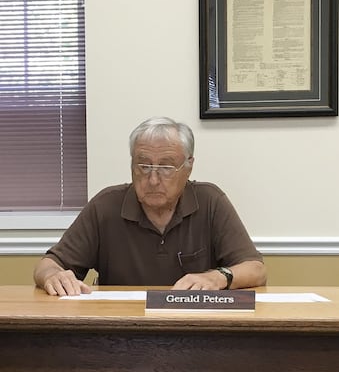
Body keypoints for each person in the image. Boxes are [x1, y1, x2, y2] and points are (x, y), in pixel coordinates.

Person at [33, 116, 267, 296]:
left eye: (166, 167)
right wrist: (53, 276)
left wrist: (219, 277)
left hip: (197, 329)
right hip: (120, 332)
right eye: (143, 165)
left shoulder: (210, 201)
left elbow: (256, 269)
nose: (153, 179)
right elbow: (48, 265)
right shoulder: (106, 206)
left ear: (188, 167)